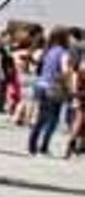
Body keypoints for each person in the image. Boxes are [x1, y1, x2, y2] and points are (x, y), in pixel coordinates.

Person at [27, 26, 71, 155]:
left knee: (41, 117)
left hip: (41, 85)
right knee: (53, 119)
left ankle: (32, 144)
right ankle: (44, 146)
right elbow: (65, 71)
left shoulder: (47, 51)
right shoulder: (63, 52)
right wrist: (68, 86)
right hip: (54, 87)